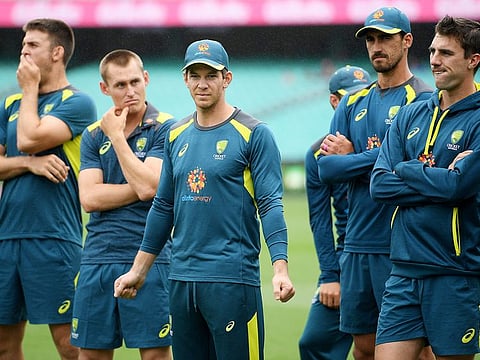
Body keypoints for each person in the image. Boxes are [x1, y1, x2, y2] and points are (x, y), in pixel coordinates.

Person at [113, 39, 296, 360]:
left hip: (231, 281)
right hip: (182, 281)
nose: (202, 83)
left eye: (210, 75)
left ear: (226, 78)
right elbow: (163, 206)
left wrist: (280, 268)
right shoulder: (175, 134)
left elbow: (269, 204)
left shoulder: (254, 133)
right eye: (194, 75)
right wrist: (138, 270)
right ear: (185, 79)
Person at [316, 7, 434, 360]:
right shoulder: (353, 101)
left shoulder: (425, 100)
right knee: (364, 346)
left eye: (385, 37)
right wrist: (382, 158)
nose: (376, 46)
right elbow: (326, 170)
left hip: (401, 243)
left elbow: (415, 167)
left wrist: (352, 158)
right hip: (356, 244)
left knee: (415, 346)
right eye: (370, 39)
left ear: (407, 40)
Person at [370, 15, 480, 360]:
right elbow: (379, 184)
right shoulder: (411, 114)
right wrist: (435, 178)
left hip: (454, 274)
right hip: (402, 271)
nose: (434, 60)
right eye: (433, 50)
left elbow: (459, 186)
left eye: (446, 53)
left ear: (473, 60)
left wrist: (406, 169)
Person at [0, 18, 96, 359]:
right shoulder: (9, 106)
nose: (23, 50)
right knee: (4, 344)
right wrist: (28, 164)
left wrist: (29, 89)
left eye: (33, 45)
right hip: (6, 237)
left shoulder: (78, 103)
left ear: (57, 53)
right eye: (23, 44)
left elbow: (29, 138)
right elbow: (17, 156)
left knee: (70, 345)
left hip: (54, 237)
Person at [70, 49, 175, 360]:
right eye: (120, 85)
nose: (130, 92)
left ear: (146, 79)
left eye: (135, 82)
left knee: (155, 354)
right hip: (97, 257)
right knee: (90, 355)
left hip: (150, 254)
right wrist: (145, 184)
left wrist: (116, 137)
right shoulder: (91, 135)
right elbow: (89, 199)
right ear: (105, 89)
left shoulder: (166, 127)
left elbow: (149, 188)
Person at [298, 65, 372, 360]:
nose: (357, 104)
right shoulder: (317, 155)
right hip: (346, 259)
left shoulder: (384, 144)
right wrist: (330, 275)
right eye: (348, 98)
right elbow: (320, 219)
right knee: (314, 343)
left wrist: (354, 157)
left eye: (364, 97)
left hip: (390, 255)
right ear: (333, 101)